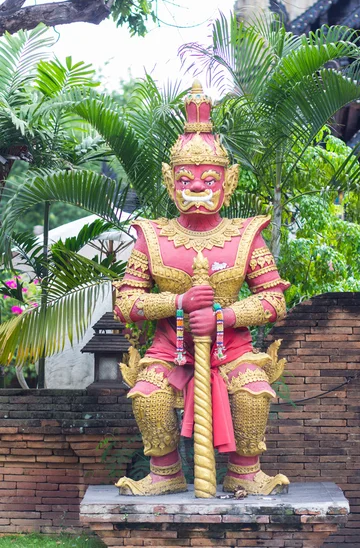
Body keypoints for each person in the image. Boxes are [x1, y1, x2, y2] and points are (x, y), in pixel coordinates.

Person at [113, 80, 290, 496]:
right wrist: (179, 302)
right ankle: (166, 472)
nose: (196, 188)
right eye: (186, 179)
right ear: (169, 182)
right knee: (148, 395)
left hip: (232, 348)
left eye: (209, 180)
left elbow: (273, 300)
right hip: (170, 348)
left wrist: (223, 316)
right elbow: (126, 302)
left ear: (228, 185)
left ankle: (246, 472)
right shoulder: (152, 236)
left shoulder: (247, 235)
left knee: (252, 392)